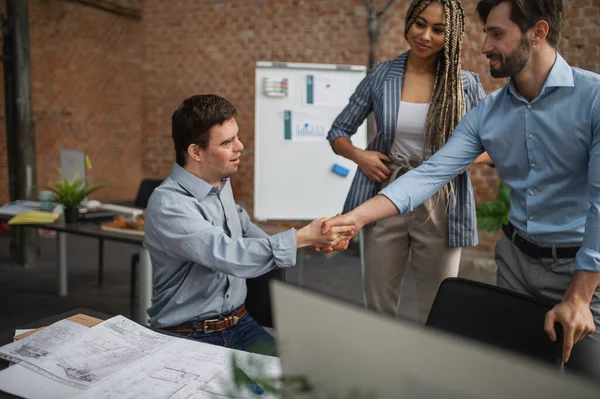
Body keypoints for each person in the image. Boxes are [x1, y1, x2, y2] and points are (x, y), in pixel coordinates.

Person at [322, 0, 600, 379]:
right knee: (517, 378)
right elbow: (430, 172)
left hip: (583, 270)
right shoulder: (487, 113)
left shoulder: (593, 99)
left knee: (584, 381)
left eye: (496, 34)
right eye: (486, 32)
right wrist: (352, 219)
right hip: (516, 263)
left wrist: (580, 296)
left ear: (538, 32)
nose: (484, 45)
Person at [144, 94, 354, 356]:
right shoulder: (170, 205)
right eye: (227, 142)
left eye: (237, 137)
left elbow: (243, 228)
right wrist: (302, 238)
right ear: (195, 152)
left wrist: (320, 237)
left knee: (298, 381)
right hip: (191, 333)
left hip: (240, 323)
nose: (240, 146)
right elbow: (231, 255)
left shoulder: (219, 183)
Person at [326, 0, 489, 322]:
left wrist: (455, 161)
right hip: (385, 192)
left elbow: (493, 146)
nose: (425, 35)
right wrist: (360, 156)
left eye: (438, 29)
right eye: (419, 24)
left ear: (452, 34)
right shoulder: (382, 75)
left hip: (441, 199)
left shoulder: (464, 84)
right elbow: (338, 131)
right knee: (379, 304)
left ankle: (431, 367)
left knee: (439, 303)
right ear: (409, 23)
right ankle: (381, 364)